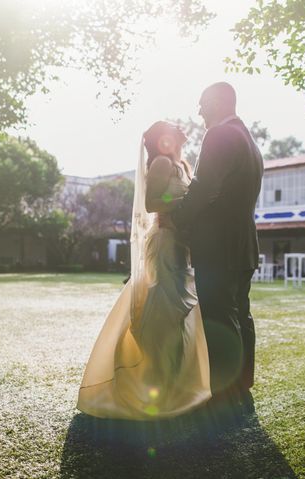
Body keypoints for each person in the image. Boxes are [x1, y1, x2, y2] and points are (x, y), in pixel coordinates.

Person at [76, 121, 211, 420]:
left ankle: (175, 381)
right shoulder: (162, 163)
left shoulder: (183, 165)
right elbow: (152, 202)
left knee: (179, 315)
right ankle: (152, 380)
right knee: (166, 310)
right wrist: (185, 203)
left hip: (182, 245)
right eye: (174, 127)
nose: (181, 128)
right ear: (164, 139)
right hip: (164, 243)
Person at [171, 82, 263, 412]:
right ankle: (242, 383)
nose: (198, 111)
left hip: (220, 245)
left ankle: (223, 391)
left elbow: (204, 185)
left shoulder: (220, 135)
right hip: (243, 243)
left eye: (201, 104)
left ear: (215, 102)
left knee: (219, 318)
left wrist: (178, 218)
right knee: (240, 312)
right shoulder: (248, 139)